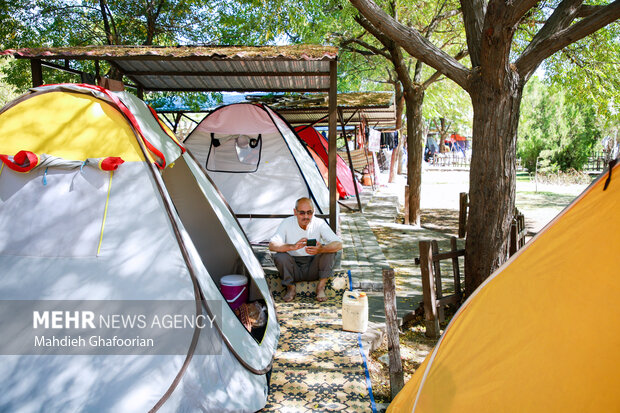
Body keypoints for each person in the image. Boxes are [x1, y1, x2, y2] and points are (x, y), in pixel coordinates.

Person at [269, 197, 343, 303]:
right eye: (302, 213)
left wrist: (321, 249)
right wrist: (292, 247)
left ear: (314, 211)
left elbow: (339, 244)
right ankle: (290, 288)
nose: (306, 216)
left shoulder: (319, 223)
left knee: (329, 251)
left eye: (309, 212)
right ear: (295, 212)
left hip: (314, 267)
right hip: (293, 267)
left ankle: (320, 287)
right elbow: (272, 245)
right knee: (280, 256)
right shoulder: (287, 223)